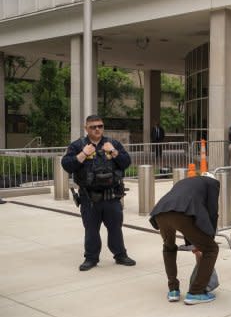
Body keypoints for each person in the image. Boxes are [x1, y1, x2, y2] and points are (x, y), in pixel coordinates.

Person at [61, 115, 137, 271]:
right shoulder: (78, 145)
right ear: (86, 128)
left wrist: (114, 152)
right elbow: (67, 165)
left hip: (112, 195)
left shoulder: (112, 144)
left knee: (115, 228)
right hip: (89, 197)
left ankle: (120, 254)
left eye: (100, 126)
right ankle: (91, 258)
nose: (97, 129)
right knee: (91, 230)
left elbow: (126, 162)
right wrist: (83, 154)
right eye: (93, 127)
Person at [150, 174, 221, 304]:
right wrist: (208, 240)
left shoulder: (187, 181)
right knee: (212, 249)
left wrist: (193, 244)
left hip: (160, 212)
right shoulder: (213, 183)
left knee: (169, 247)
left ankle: (173, 291)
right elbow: (211, 213)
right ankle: (196, 292)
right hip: (181, 214)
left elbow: (189, 212)